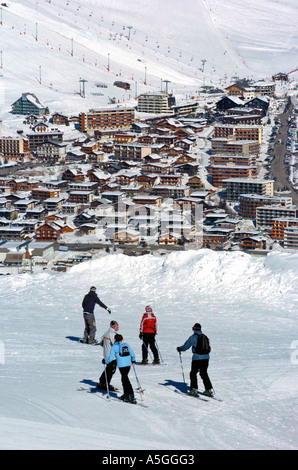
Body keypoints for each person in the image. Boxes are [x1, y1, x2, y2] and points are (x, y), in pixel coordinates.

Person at [177, 323, 213, 397]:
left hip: (197, 358)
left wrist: (180, 349)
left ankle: (194, 389)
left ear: (194, 329)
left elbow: (186, 346)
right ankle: (208, 389)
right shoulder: (205, 336)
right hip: (206, 357)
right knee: (204, 373)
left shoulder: (193, 337)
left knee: (193, 373)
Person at [103, 334, 136, 404]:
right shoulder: (126, 345)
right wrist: (133, 359)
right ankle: (127, 394)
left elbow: (111, 358)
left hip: (122, 366)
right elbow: (132, 354)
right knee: (124, 378)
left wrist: (105, 361)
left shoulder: (114, 347)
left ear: (115, 339)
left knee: (125, 379)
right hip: (128, 365)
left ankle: (130, 395)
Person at [97, 320, 119, 391]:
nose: (118, 327)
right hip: (112, 356)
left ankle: (102, 381)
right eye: (117, 326)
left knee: (108, 369)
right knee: (111, 370)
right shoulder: (112, 334)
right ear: (113, 326)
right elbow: (115, 344)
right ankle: (106, 384)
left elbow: (100, 342)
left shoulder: (106, 332)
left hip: (106, 354)